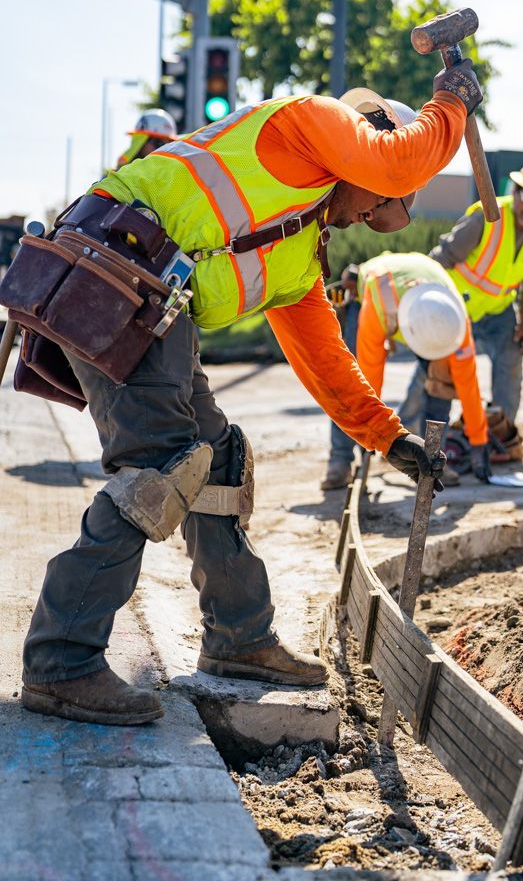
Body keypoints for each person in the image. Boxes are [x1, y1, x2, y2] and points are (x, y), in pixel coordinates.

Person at [10, 58, 482, 726]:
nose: (371, 212)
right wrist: (452, 103)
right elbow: (401, 162)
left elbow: (328, 365)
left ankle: (239, 639)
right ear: (370, 148)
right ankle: (62, 661)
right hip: (112, 266)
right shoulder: (310, 123)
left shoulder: (298, 250)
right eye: (380, 199)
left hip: (147, 296)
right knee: (164, 463)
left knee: (217, 456)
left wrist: (391, 440)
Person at [421, 155, 523, 445]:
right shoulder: (487, 215)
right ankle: (415, 441)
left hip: (497, 312)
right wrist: (423, 304)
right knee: (435, 377)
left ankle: (499, 434)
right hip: (457, 310)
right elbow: (441, 258)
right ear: (516, 191)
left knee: (511, 358)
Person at [321, 250, 491, 490]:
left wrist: (479, 442)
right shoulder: (379, 305)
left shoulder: (453, 322)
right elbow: (368, 380)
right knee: (349, 383)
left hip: (425, 292)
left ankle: (433, 457)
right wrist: (369, 432)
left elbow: (469, 386)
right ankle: (340, 461)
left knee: (442, 383)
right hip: (370, 290)